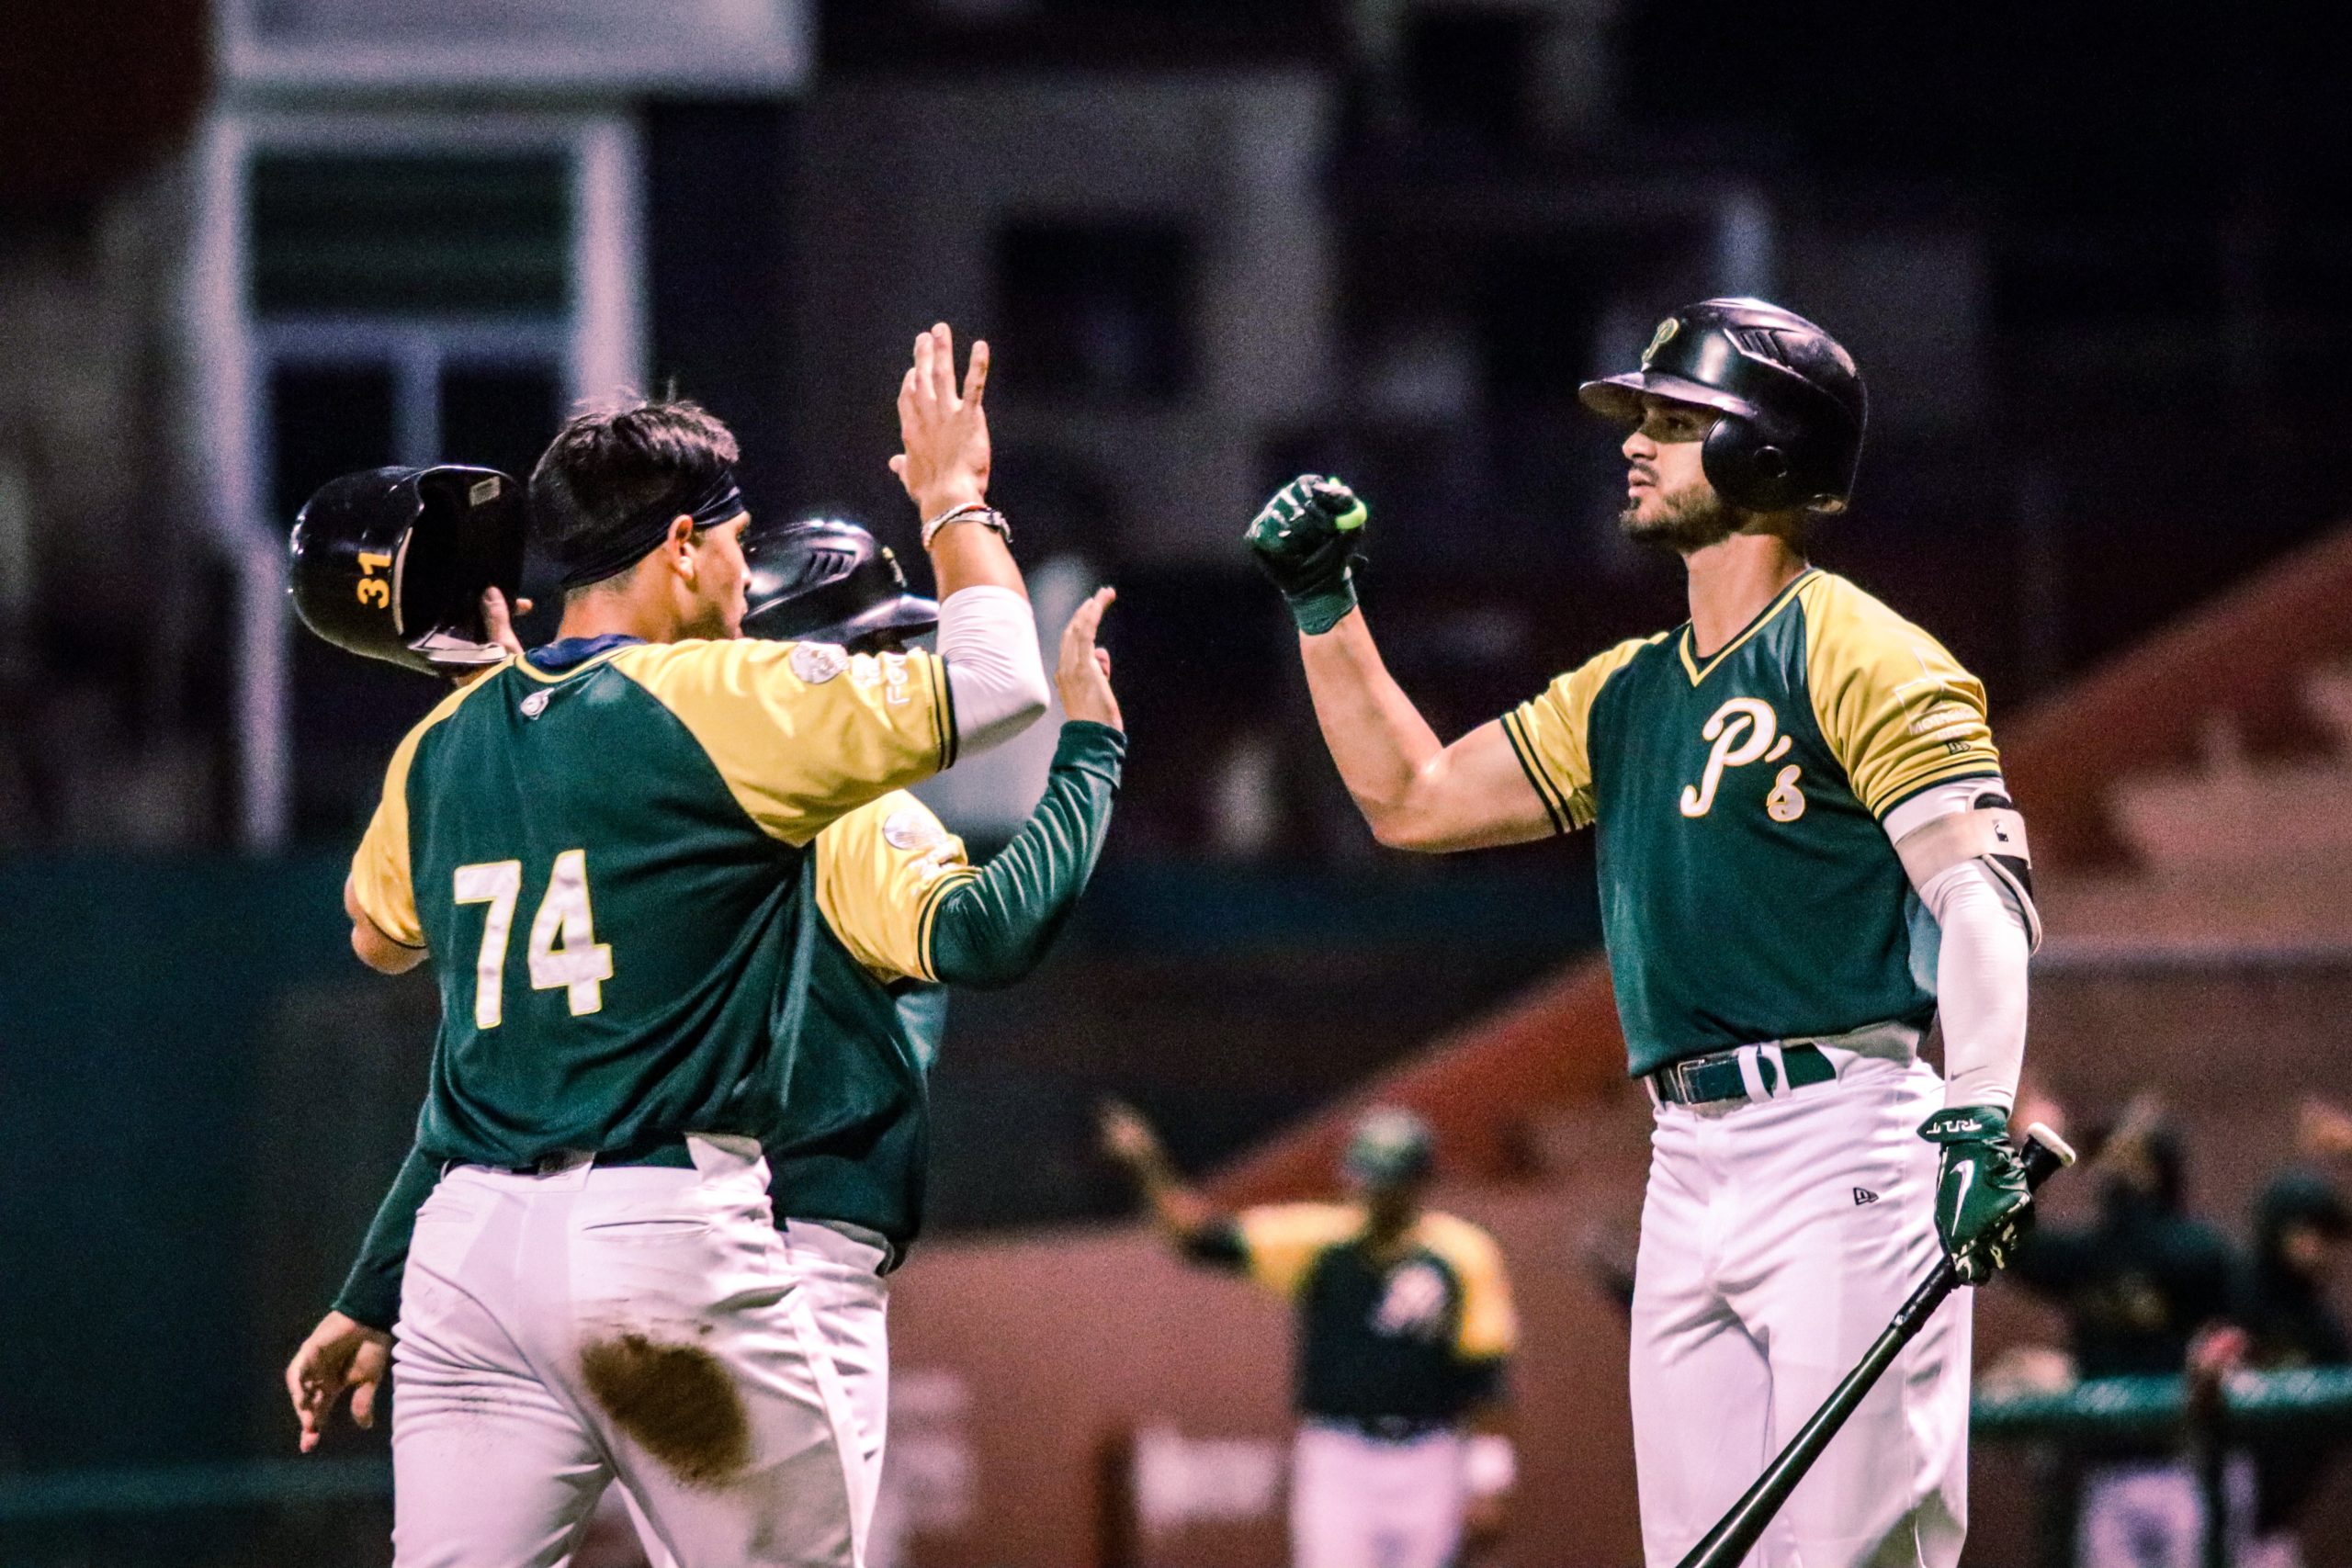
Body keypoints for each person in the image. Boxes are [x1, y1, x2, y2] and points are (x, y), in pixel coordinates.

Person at [1244, 297, 2042, 1568]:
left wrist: (1976, 1112)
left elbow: (1983, 899)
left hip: (1846, 1139)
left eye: (1679, 419)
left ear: (1772, 452)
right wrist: (1325, 604)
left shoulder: (1868, 652)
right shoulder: (1623, 687)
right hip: (1685, 1154)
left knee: (1853, 1555)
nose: (1638, 440)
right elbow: (1414, 799)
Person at [315, 324, 1052, 1568]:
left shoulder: (444, 741)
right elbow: (999, 683)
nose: (741, 572)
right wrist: (953, 495)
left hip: (467, 1257)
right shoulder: (723, 695)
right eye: (731, 536)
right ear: (680, 544)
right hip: (657, 1232)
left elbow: (378, 936)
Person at [1100, 1101, 1518, 1568]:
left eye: (1386, 1179)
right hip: (1339, 1452)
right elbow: (1199, 1239)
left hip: (1429, 1452)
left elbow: (1487, 1376)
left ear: (1418, 1182)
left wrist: (1488, 1480)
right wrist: (1148, 1165)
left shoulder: (1463, 1254)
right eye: (1364, 1176)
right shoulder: (1321, 1241)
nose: (1369, 1191)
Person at [2008, 1098, 2240, 1568]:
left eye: (2129, 1155)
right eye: (2109, 1156)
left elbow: (2235, 1306)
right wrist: (2029, 1157)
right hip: (2106, 1473)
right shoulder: (2091, 1253)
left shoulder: (2197, 1251)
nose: (2112, 1168)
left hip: (2182, 1465)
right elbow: (2018, 1248)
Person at [2224, 1168, 2350, 1568]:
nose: (2320, 1247)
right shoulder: (2234, 1295)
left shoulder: (2323, 1330)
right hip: (2197, 1505)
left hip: (2272, 1523)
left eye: (2329, 1236)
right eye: (2309, 1231)